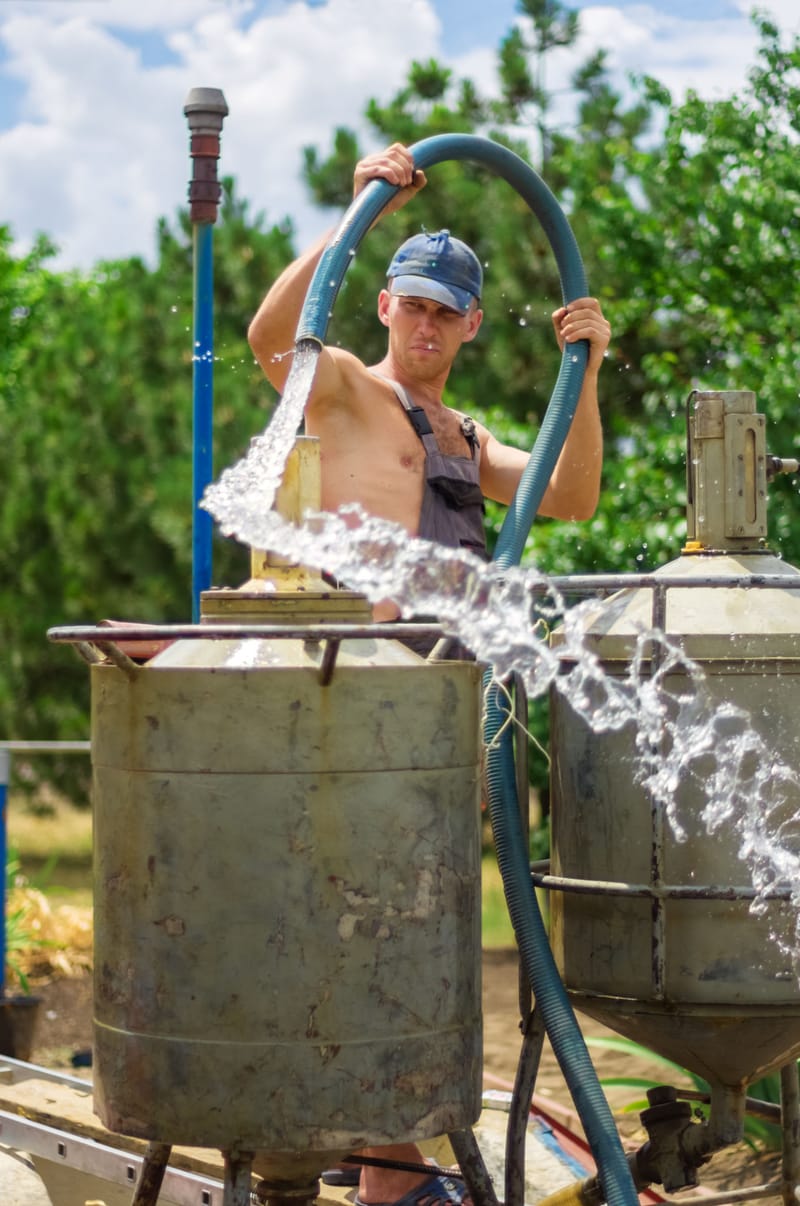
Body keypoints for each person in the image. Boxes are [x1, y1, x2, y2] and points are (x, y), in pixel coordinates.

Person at [248, 143, 611, 1206]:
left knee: (416, 939)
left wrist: (582, 372)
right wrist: (358, 205)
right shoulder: (349, 394)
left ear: (468, 326)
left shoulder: (463, 432)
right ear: (382, 305)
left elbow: (572, 494)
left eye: (442, 314)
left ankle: (387, 1172)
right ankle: (388, 1176)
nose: (421, 326)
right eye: (408, 305)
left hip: (436, 718)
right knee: (356, 934)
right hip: (351, 707)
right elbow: (272, 339)